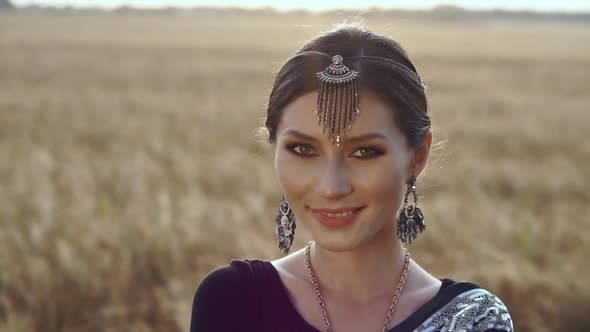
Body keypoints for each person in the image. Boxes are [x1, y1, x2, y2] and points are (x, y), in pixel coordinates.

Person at [190, 25, 513, 332]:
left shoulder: (474, 320)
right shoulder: (234, 301)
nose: (331, 186)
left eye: (364, 153)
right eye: (303, 149)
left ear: (417, 156)